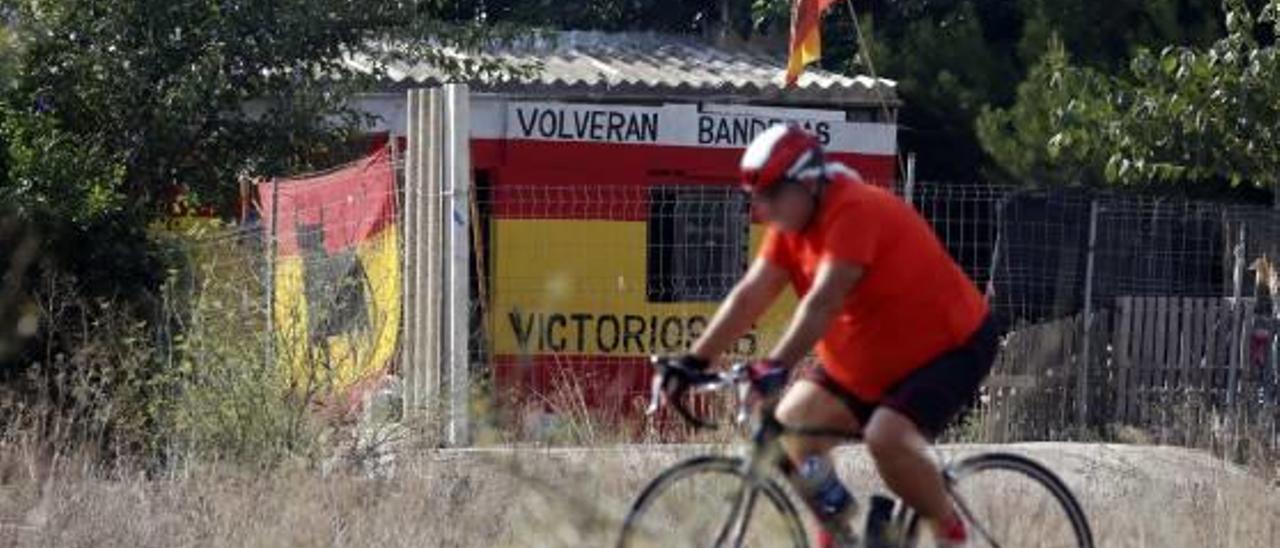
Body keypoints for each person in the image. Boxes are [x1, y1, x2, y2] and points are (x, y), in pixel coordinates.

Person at [667, 123, 997, 547]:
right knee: (790, 430)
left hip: (948, 345)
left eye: (769, 195)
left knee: (886, 437)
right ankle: (840, 534)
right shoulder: (791, 227)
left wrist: (776, 365)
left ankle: (949, 530)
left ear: (805, 181)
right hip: (869, 357)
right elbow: (750, 295)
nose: (761, 210)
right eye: (756, 198)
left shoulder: (853, 209)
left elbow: (824, 301)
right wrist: (693, 361)